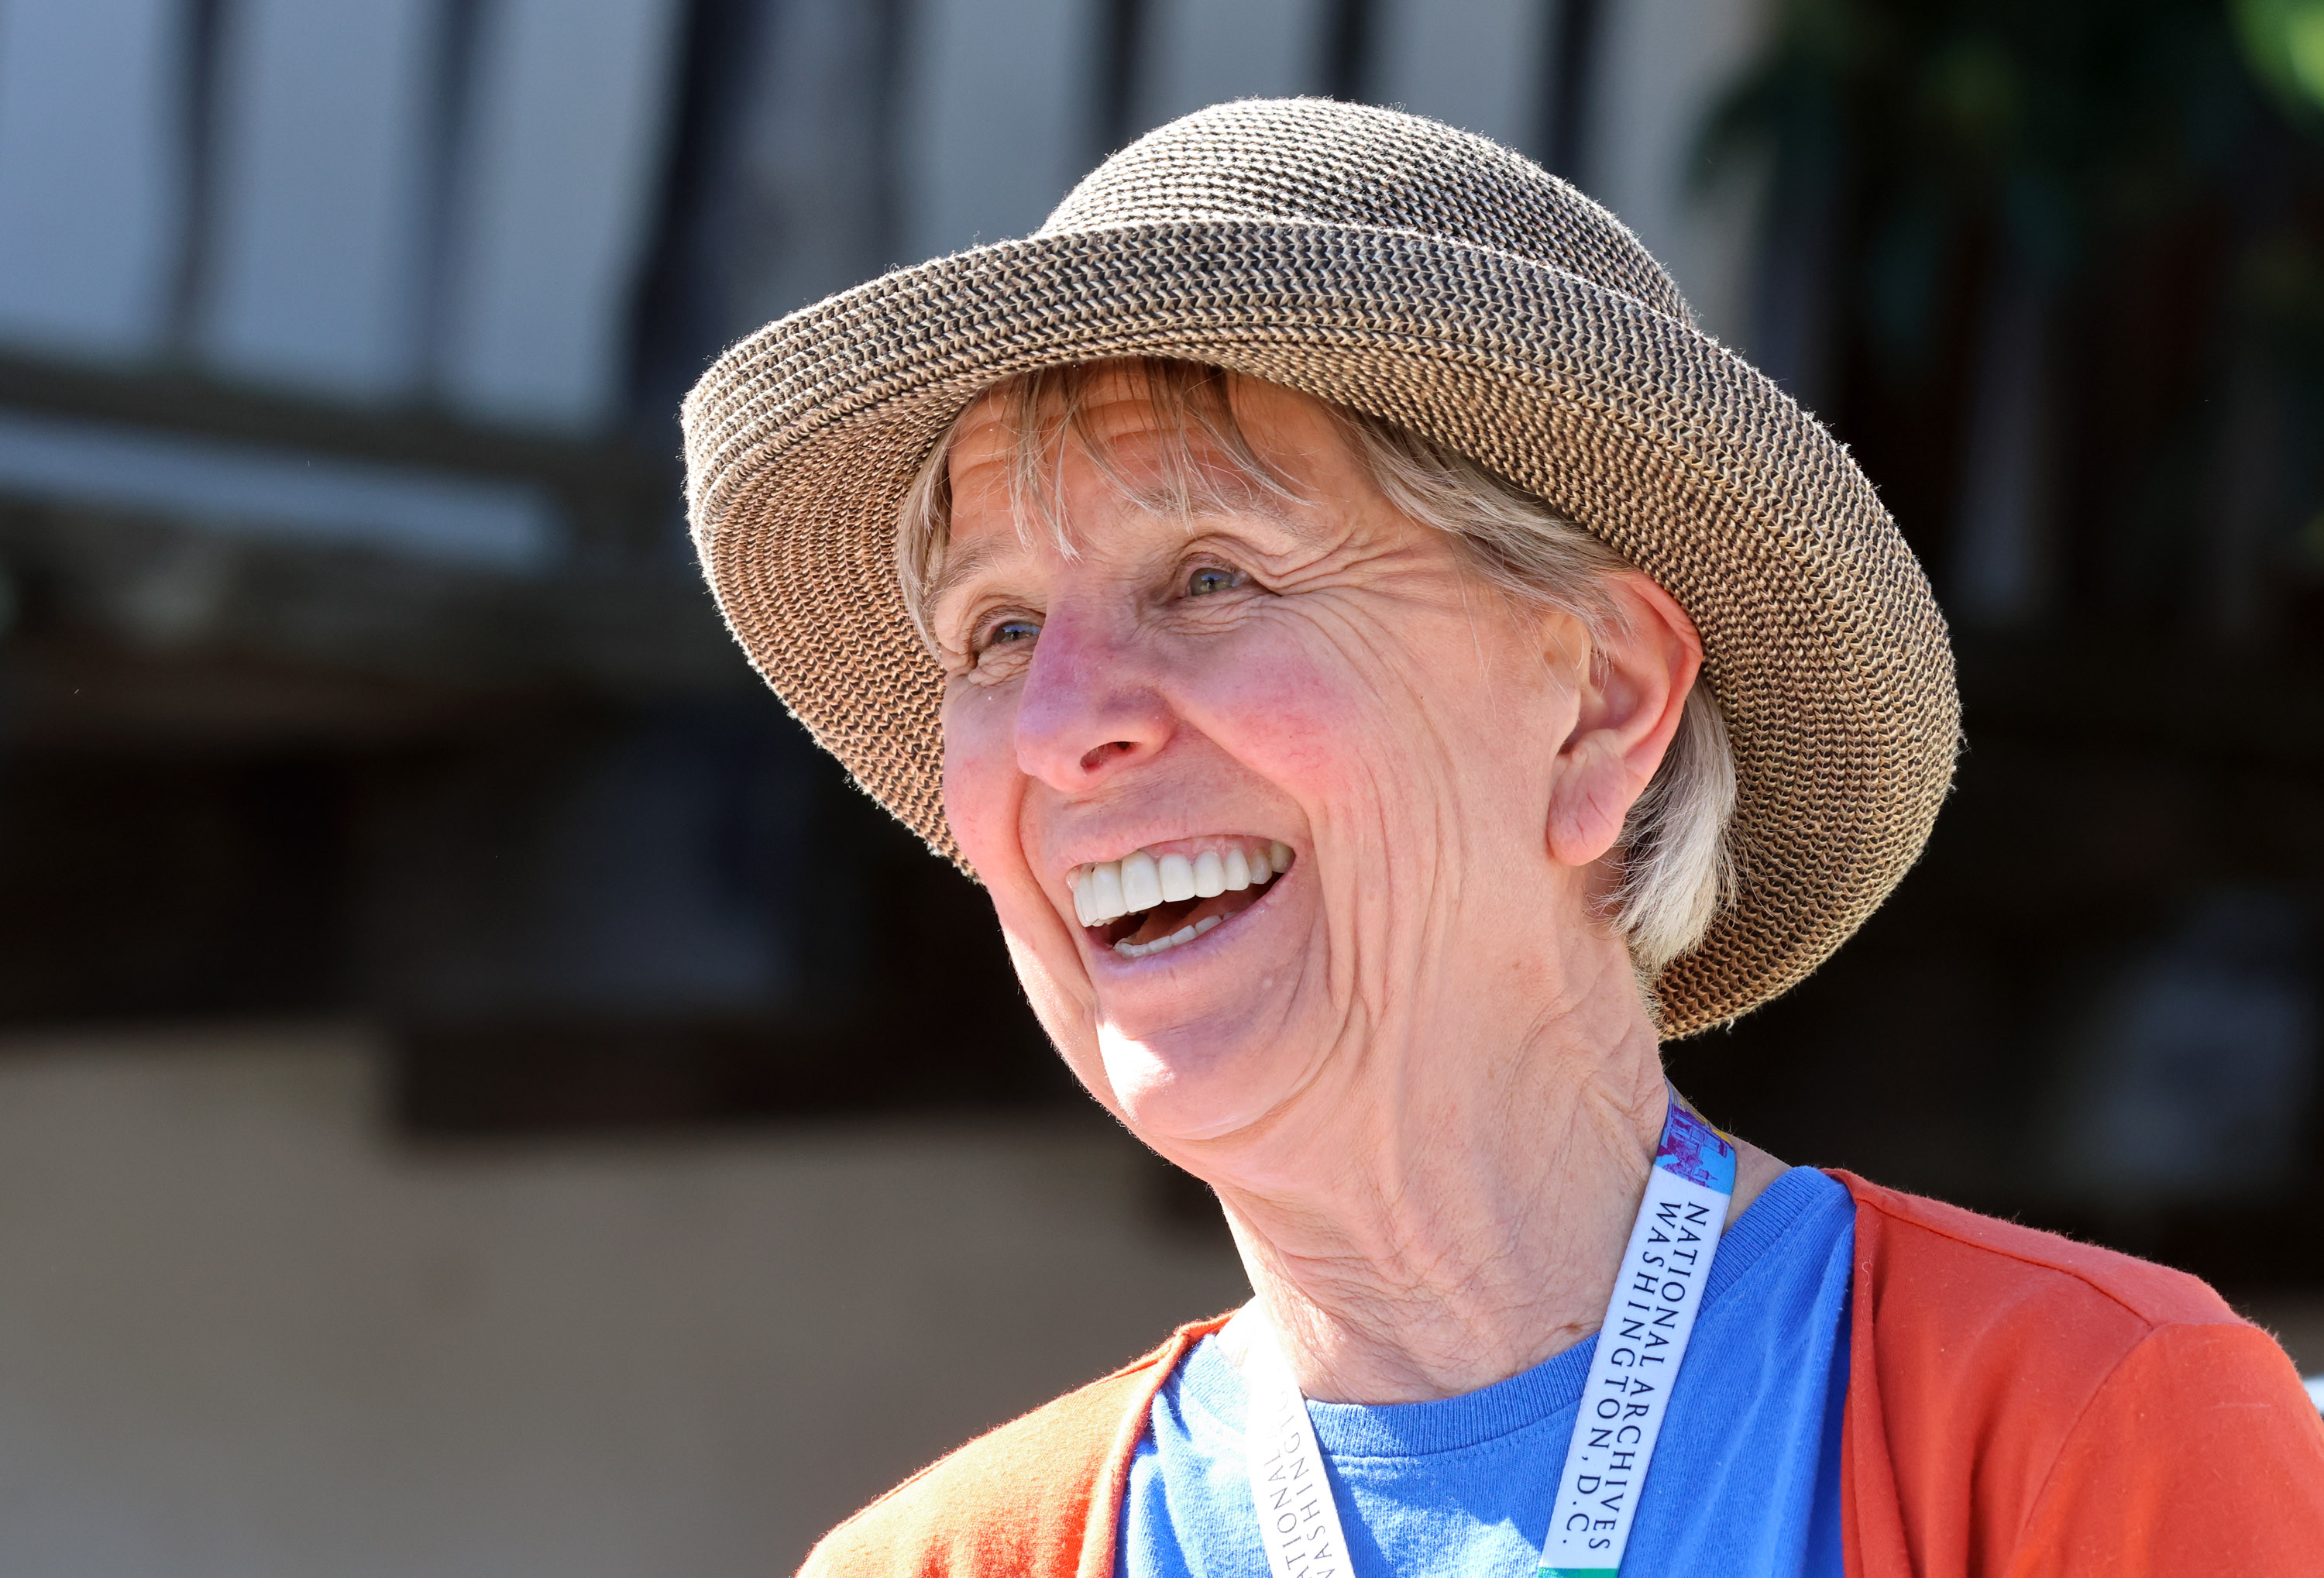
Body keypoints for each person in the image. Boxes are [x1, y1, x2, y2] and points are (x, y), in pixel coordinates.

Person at [682, 99, 2324, 1576]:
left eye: (1212, 575)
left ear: (1602, 703)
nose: (1060, 725)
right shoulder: (948, 1564)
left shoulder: (2072, 1424)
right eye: (997, 632)